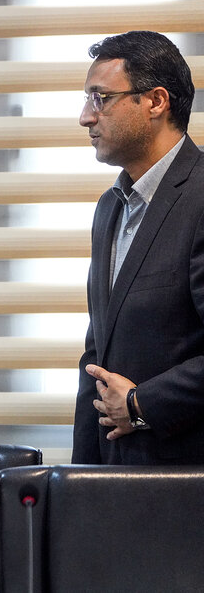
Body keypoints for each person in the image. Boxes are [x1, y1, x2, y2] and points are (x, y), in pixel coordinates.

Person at [73, 30, 203, 465]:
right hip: (114, 481)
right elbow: (97, 356)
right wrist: (80, 480)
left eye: (100, 98)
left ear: (155, 101)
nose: (86, 117)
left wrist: (140, 403)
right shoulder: (109, 207)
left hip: (186, 480)